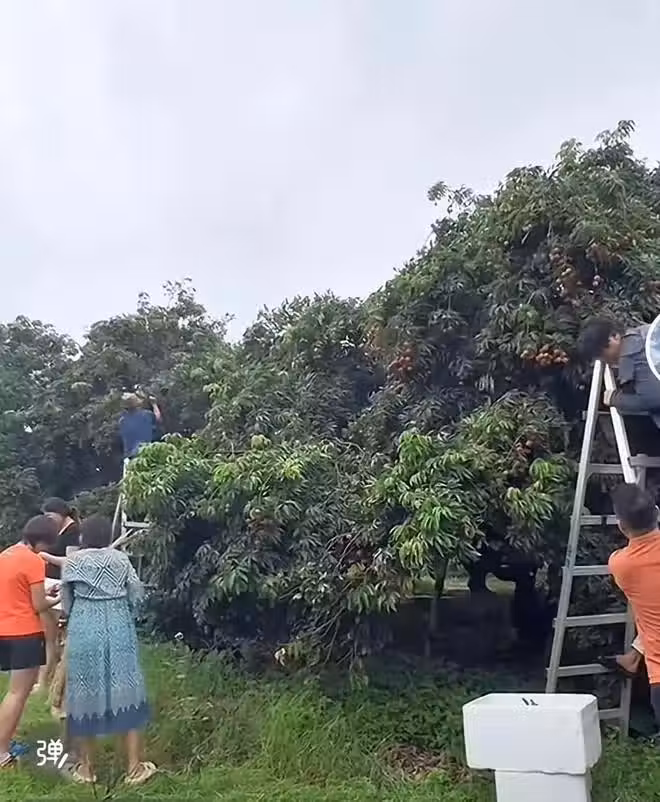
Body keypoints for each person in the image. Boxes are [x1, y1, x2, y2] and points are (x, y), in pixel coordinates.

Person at [62, 514, 156, 785]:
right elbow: (137, 591)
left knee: (84, 693)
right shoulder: (121, 559)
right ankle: (134, 768)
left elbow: (66, 603)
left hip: (84, 628)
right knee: (128, 691)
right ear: (108, 535)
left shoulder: (73, 562)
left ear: (83, 536)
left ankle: (87, 768)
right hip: (118, 627)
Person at [0, 516, 61, 767]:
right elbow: (38, 605)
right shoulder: (34, 560)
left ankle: (7, 741)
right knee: (17, 694)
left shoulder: (5, 555)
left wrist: (43, 593)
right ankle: (1, 752)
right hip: (24, 633)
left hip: (4, 629)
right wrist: (58, 598)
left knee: (13, 692)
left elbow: (16, 592)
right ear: (43, 541)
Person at [608, 483, 660, 727]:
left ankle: (632, 657)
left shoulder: (621, 565)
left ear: (621, 526)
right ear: (656, 513)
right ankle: (632, 657)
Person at [577, 318, 660, 424]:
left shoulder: (633, 353)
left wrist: (614, 398)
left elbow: (653, 399)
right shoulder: (644, 333)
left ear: (614, 337)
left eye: (602, 354)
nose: (604, 361)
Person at [35, 498, 81, 692]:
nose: (48, 520)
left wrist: (46, 557)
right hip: (48, 583)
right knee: (48, 636)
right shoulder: (56, 531)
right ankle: (46, 679)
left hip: (60, 584)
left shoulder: (74, 531)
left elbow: (71, 561)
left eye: (50, 515)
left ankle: (49, 681)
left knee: (54, 636)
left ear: (61, 513)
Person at [118, 393, 162, 461]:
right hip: (146, 454)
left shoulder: (122, 421)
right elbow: (158, 419)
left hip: (130, 458)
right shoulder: (147, 415)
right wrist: (154, 404)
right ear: (137, 405)